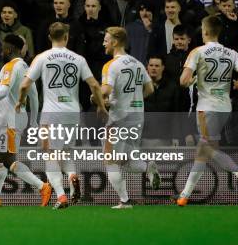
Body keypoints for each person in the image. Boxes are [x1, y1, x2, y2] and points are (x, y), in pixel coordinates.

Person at [18, 22, 108, 208]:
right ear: (66, 37)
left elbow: (25, 85)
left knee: (50, 154)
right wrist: (101, 106)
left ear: (49, 37)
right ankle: (72, 177)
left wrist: (20, 101)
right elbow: (94, 85)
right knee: (66, 151)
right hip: (72, 113)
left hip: (51, 114)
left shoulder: (42, 57)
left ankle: (61, 196)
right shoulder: (78, 59)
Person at [175, 15, 238, 206]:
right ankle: (184, 196)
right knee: (204, 151)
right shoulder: (232, 53)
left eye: (202, 30)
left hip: (206, 108)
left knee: (206, 148)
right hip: (225, 107)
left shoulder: (198, 52)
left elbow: (183, 81)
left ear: (206, 32)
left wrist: (193, 80)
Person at [0, 34, 52, 207]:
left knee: (7, 159)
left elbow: (2, 93)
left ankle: (42, 186)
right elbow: (34, 95)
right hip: (18, 117)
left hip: (8, 120)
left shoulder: (9, 66)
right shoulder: (25, 67)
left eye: (3, 47)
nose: (1, 50)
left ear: (8, 49)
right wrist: (33, 120)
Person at [100, 26, 159, 209]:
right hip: (137, 117)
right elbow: (150, 89)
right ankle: (147, 166)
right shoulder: (137, 63)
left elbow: (105, 92)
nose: (104, 43)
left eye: (106, 39)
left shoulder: (111, 65)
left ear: (115, 42)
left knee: (109, 160)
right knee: (126, 158)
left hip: (119, 117)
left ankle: (124, 201)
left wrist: (96, 97)